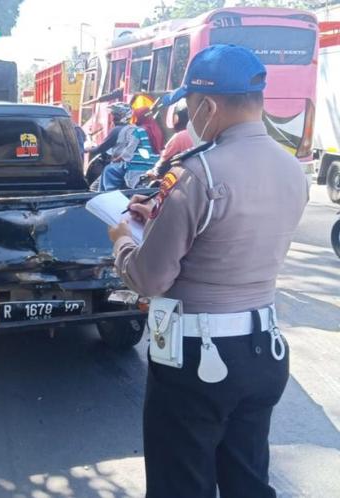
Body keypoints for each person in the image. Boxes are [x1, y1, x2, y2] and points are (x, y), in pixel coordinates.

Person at [108, 45, 308, 498]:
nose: (189, 116)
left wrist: (122, 238)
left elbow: (149, 278)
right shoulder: (292, 170)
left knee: (181, 486)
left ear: (208, 105)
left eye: (190, 106)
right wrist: (159, 215)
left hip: (195, 360)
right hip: (264, 352)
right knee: (247, 480)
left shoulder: (198, 174)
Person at [94, 103, 156, 191]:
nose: (111, 118)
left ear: (119, 116)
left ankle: (110, 194)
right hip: (150, 164)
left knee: (108, 170)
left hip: (132, 165)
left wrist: (89, 150)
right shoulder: (142, 129)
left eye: (114, 115)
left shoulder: (118, 130)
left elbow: (102, 149)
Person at [147, 102, 194, 180]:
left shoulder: (180, 136)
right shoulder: (205, 134)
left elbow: (164, 161)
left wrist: (154, 173)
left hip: (183, 180)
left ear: (177, 117)